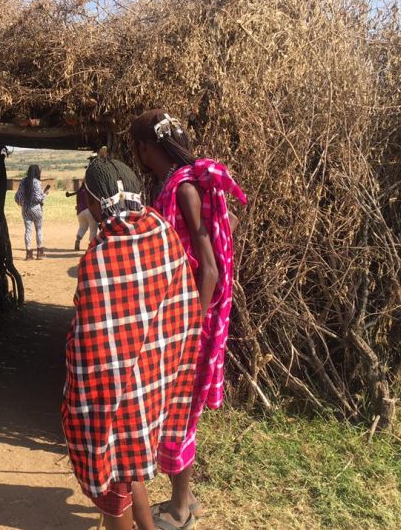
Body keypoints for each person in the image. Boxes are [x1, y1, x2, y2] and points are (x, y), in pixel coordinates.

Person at [62, 158, 202, 530]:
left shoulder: (100, 256)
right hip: (155, 383)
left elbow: (90, 345)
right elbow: (185, 312)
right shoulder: (162, 232)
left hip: (112, 394)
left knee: (112, 484)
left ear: (93, 203)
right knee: (127, 467)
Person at [130, 110, 247, 529]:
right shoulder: (186, 185)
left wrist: (190, 325)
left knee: (179, 413)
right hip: (182, 312)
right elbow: (226, 225)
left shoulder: (184, 189)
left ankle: (179, 510)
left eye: (137, 146)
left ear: (146, 148)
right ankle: (187, 498)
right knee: (181, 410)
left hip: (188, 320)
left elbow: (210, 269)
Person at [14, 164, 47, 260]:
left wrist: (21, 203)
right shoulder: (37, 182)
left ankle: (28, 253)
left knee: (28, 230)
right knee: (39, 230)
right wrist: (45, 194)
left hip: (25, 209)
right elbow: (39, 198)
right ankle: (39, 252)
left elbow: (18, 196)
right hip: (36, 208)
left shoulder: (23, 181)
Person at [65, 183, 97, 251]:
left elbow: (77, 203)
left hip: (80, 212)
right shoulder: (91, 190)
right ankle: (91, 245)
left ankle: (78, 240)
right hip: (90, 211)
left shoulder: (79, 191)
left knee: (82, 227)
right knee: (93, 228)